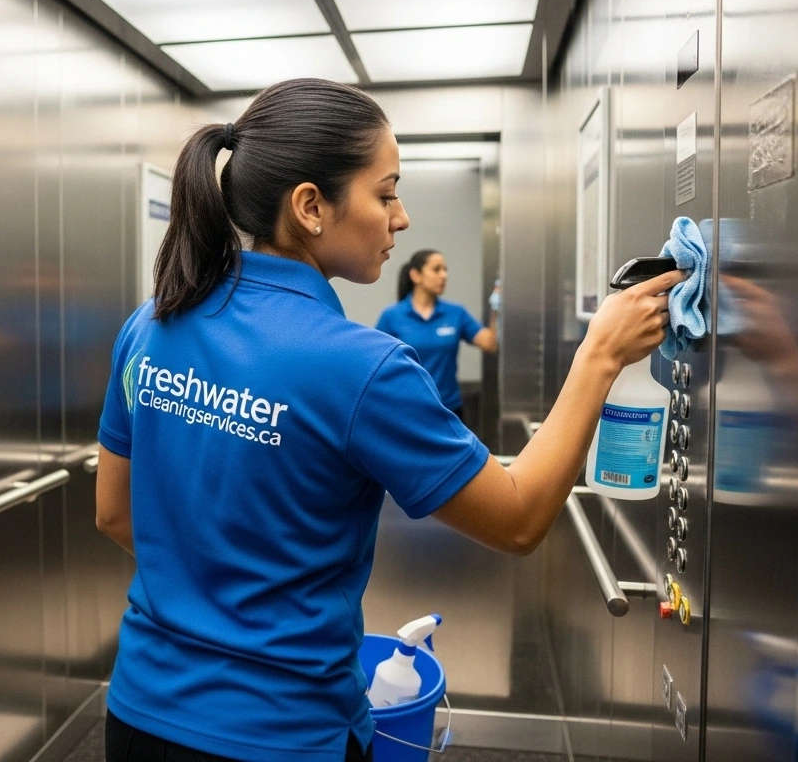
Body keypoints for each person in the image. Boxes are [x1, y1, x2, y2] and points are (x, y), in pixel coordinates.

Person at [94, 78, 679, 762]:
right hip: (279, 737)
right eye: (386, 191)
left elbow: (114, 514)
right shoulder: (362, 367)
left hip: (137, 716)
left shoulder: (151, 326)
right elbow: (518, 519)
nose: (400, 218)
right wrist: (601, 354)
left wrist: (214, 596)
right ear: (311, 207)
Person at [376, 249, 497, 419]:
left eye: (445, 270)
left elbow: (489, 343)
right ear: (416, 275)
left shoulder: (456, 313)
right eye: (436, 269)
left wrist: (497, 306)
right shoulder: (392, 316)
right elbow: (378, 364)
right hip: (407, 410)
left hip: (448, 409)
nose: (444, 275)